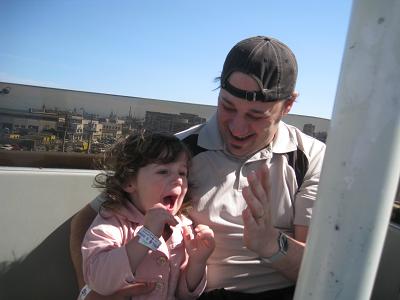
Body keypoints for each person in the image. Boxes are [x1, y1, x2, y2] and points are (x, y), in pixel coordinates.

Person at [70, 35, 326, 300]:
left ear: (288, 105)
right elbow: (86, 220)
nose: (237, 128)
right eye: (227, 107)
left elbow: (317, 272)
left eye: (255, 116)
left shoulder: (310, 158)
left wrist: (271, 243)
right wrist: (88, 292)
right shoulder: (176, 155)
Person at [79, 133, 215, 300]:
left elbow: (184, 294)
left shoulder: (182, 228)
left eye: (182, 173)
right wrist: (147, 235)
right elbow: (99, 280)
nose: (178, 180)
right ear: (129, 182)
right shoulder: (112, 223)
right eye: (163, 171)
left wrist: (197, 262)